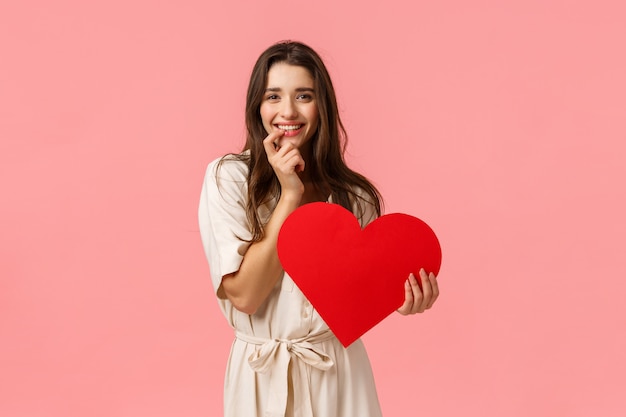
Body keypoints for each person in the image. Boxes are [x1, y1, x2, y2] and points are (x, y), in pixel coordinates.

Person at [198, 40, 439, 417]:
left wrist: (402, 300)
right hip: (261, 377)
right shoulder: (228, 178)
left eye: (304, 95)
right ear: (256, 107)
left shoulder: (353, 196)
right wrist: (289, 196)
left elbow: (357, 294)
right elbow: (245, 296)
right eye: (273, 96)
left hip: (339, 375)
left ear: (321, 104)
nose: (287, 111)